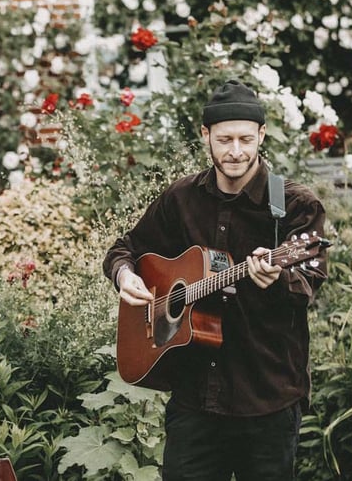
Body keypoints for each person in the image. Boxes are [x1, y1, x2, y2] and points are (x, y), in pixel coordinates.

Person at [103, 80, 327, 481]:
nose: (236, 151)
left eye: (245, 139)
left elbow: (309, 282)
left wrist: (276, 277)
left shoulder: (294, 205)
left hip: (267, 399)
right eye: (225, 140)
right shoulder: (181, 198)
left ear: (262, 135)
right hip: (195, 399)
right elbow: (127, 248)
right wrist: (125, 274)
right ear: (206, 135)